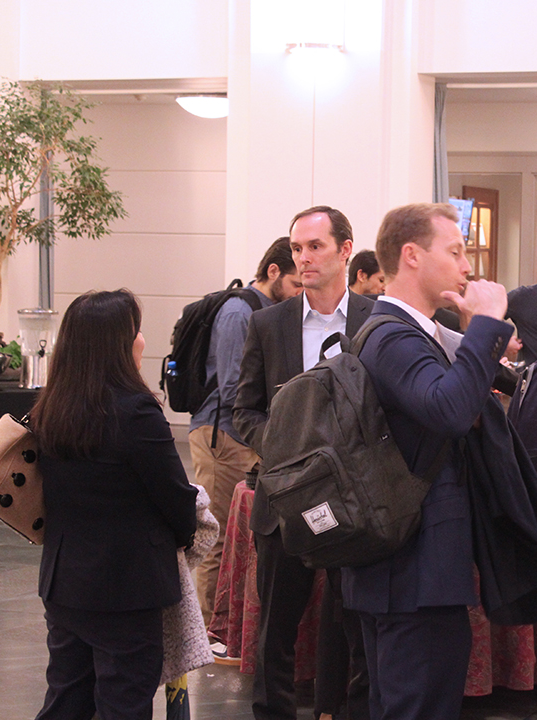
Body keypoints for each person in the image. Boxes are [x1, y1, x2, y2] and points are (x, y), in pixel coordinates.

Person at [340, 202, 514, 720]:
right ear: (412, 256)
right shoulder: (392, 333)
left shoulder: (411, 330)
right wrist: (484, 324)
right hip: (410, 573)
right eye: (456, 251)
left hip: (414, 569)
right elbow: (449, 410)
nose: (467, 266)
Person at [233, 206, 374, 720]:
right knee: (276, 629)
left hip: (355, 501)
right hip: (285, 499)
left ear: (345, 249)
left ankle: (348, 711)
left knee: (356, 624)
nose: (304, 257)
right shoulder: (268, 324)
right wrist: (283, 445)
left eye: (315, 246)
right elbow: (243, 409)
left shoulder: (375, 318)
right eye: (297, 248)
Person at [32, 289, 198, 720]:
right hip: (126, 589)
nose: (143, 340)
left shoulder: (51, 407)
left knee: (66, 700)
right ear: (117, 344)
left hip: (64, 582)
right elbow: (177, 501)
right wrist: (181, 538)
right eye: (137, 331)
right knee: (124, 703)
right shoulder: (137, 411)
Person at [190, 236, 302, 643]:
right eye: (295, 283)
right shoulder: (239, 311)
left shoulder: (265, 311)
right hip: (222, 436)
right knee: (216, 537)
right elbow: (237, 387)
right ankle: (210, 633)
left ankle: (226, 628)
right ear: (273, 272)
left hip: (239, 436)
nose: (299, 293)